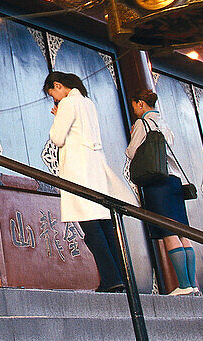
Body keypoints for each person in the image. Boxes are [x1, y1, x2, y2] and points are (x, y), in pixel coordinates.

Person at [45, 71, 137, 293]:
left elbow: (57, 138)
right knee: (105, 226)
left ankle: (111, 279)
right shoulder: (88, 103)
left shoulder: (68, 104)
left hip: (78, 172)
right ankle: (119, 277)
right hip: (95, 171)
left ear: (58, 86)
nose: (56, 100)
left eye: (54, 95)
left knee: (91, 229)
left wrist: (58, 115)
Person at [126, 88, 199, 296]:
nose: (135, 110)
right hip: (174, 182)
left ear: (141, 103)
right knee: (183, 233)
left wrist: (133, 136)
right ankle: (191, 283)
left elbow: (132, 152)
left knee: (168, 232)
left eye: (134, 106)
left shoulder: (143, 123)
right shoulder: (165, 124)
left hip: (156, 183)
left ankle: (183, 286)